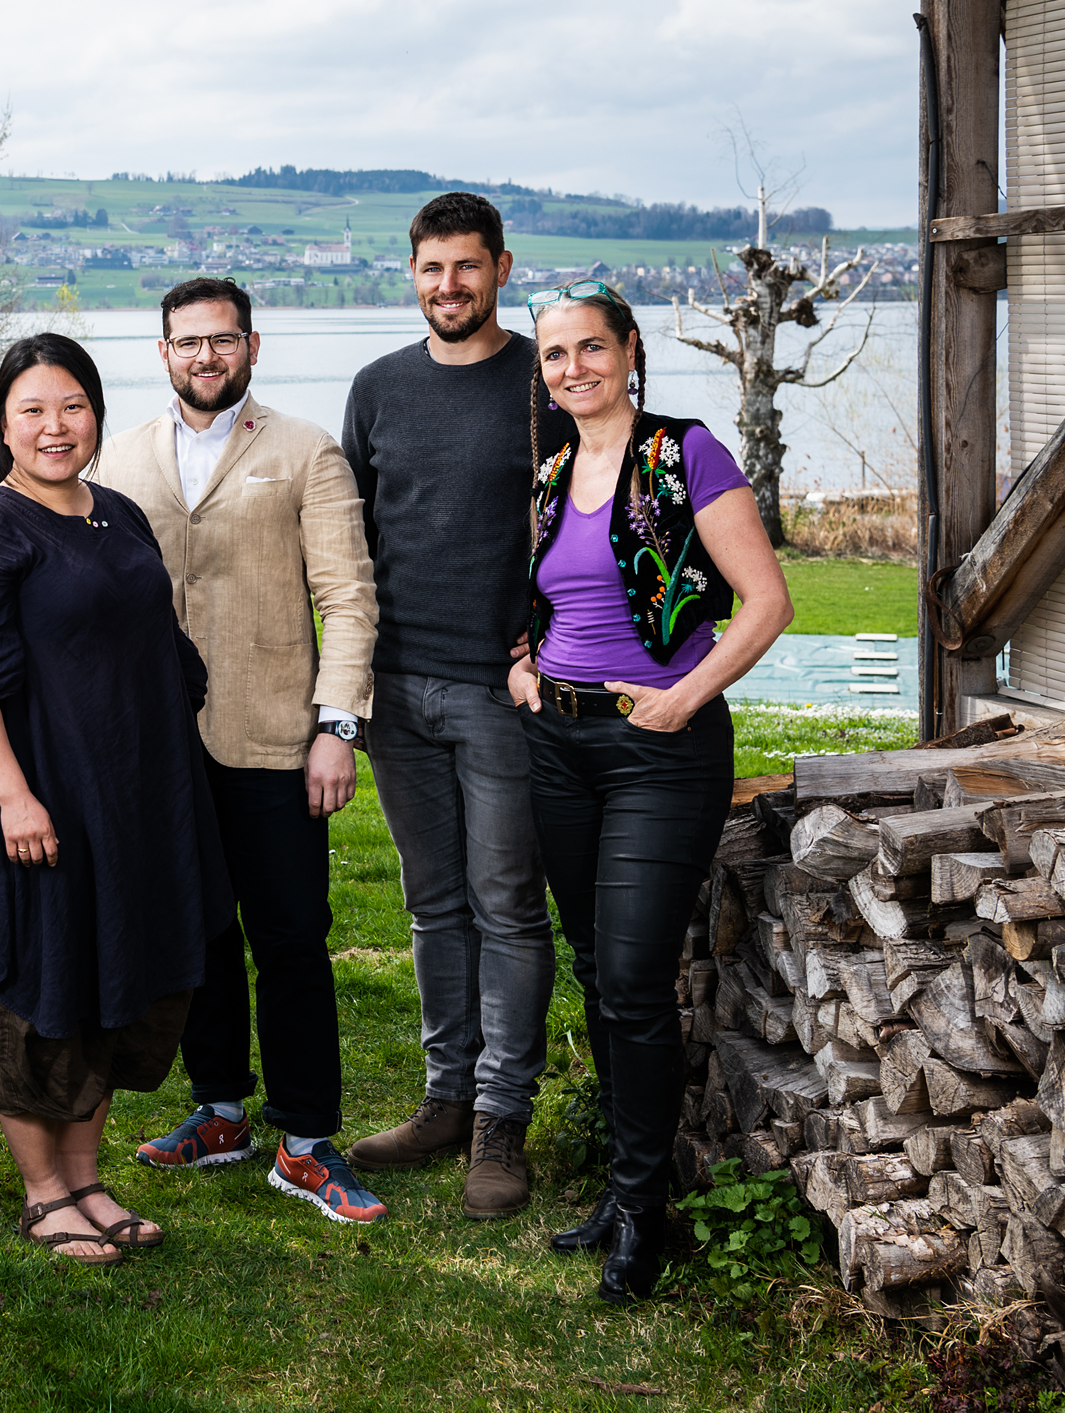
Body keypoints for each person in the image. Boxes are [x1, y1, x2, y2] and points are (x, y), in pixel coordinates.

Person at [0, 333, 231, 1265]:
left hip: (124, 796)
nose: (56, 427)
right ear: (2, 424)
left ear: (95, 411)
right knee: (31, 986)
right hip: (31, 796)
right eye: (32, 410)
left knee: (110, 975)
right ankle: (44, 1193)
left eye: (73, 406)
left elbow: (154, 641)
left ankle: (87, 1177)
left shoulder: (117, 513)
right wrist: (14, 796)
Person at [508, 280, 791, 1300]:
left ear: (628, 350)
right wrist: (520, 660)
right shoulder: (546, 472)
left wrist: (682, 698)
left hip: (657, 749)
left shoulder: (685, 454)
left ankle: (643, 1212)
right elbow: (550, 598)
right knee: (595, 964)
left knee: (629, 975)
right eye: (553, 355)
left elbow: (765, 601)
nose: (572, 367)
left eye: (590, 347)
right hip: (559, 745)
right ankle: (623, 1186)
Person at [94, 277, 386, 1225]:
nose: (205, 357)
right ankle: (219, 1109)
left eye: (222, 340)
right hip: (156, 747)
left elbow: (347, 598)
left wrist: (337, 725)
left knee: (291, 939)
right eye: (187, 342)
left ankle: (305, 1138)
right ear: (163, 353)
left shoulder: (305, 451)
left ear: (251, 348)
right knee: (196, 935)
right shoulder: (119, 456)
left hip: (273, 738)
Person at [339, 192, 570, 1219]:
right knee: (433, 904)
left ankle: (498, 1122)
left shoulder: (543, 381)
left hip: (499, 692)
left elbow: (593, 516)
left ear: (500, 268)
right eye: (431, 269)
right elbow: (350, 542)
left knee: (507, 906)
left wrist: (551, 634)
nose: (447, 286)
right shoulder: (376, 387)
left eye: (465, 267)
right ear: (412, 273)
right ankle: (443, 1096)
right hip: (397, 689)